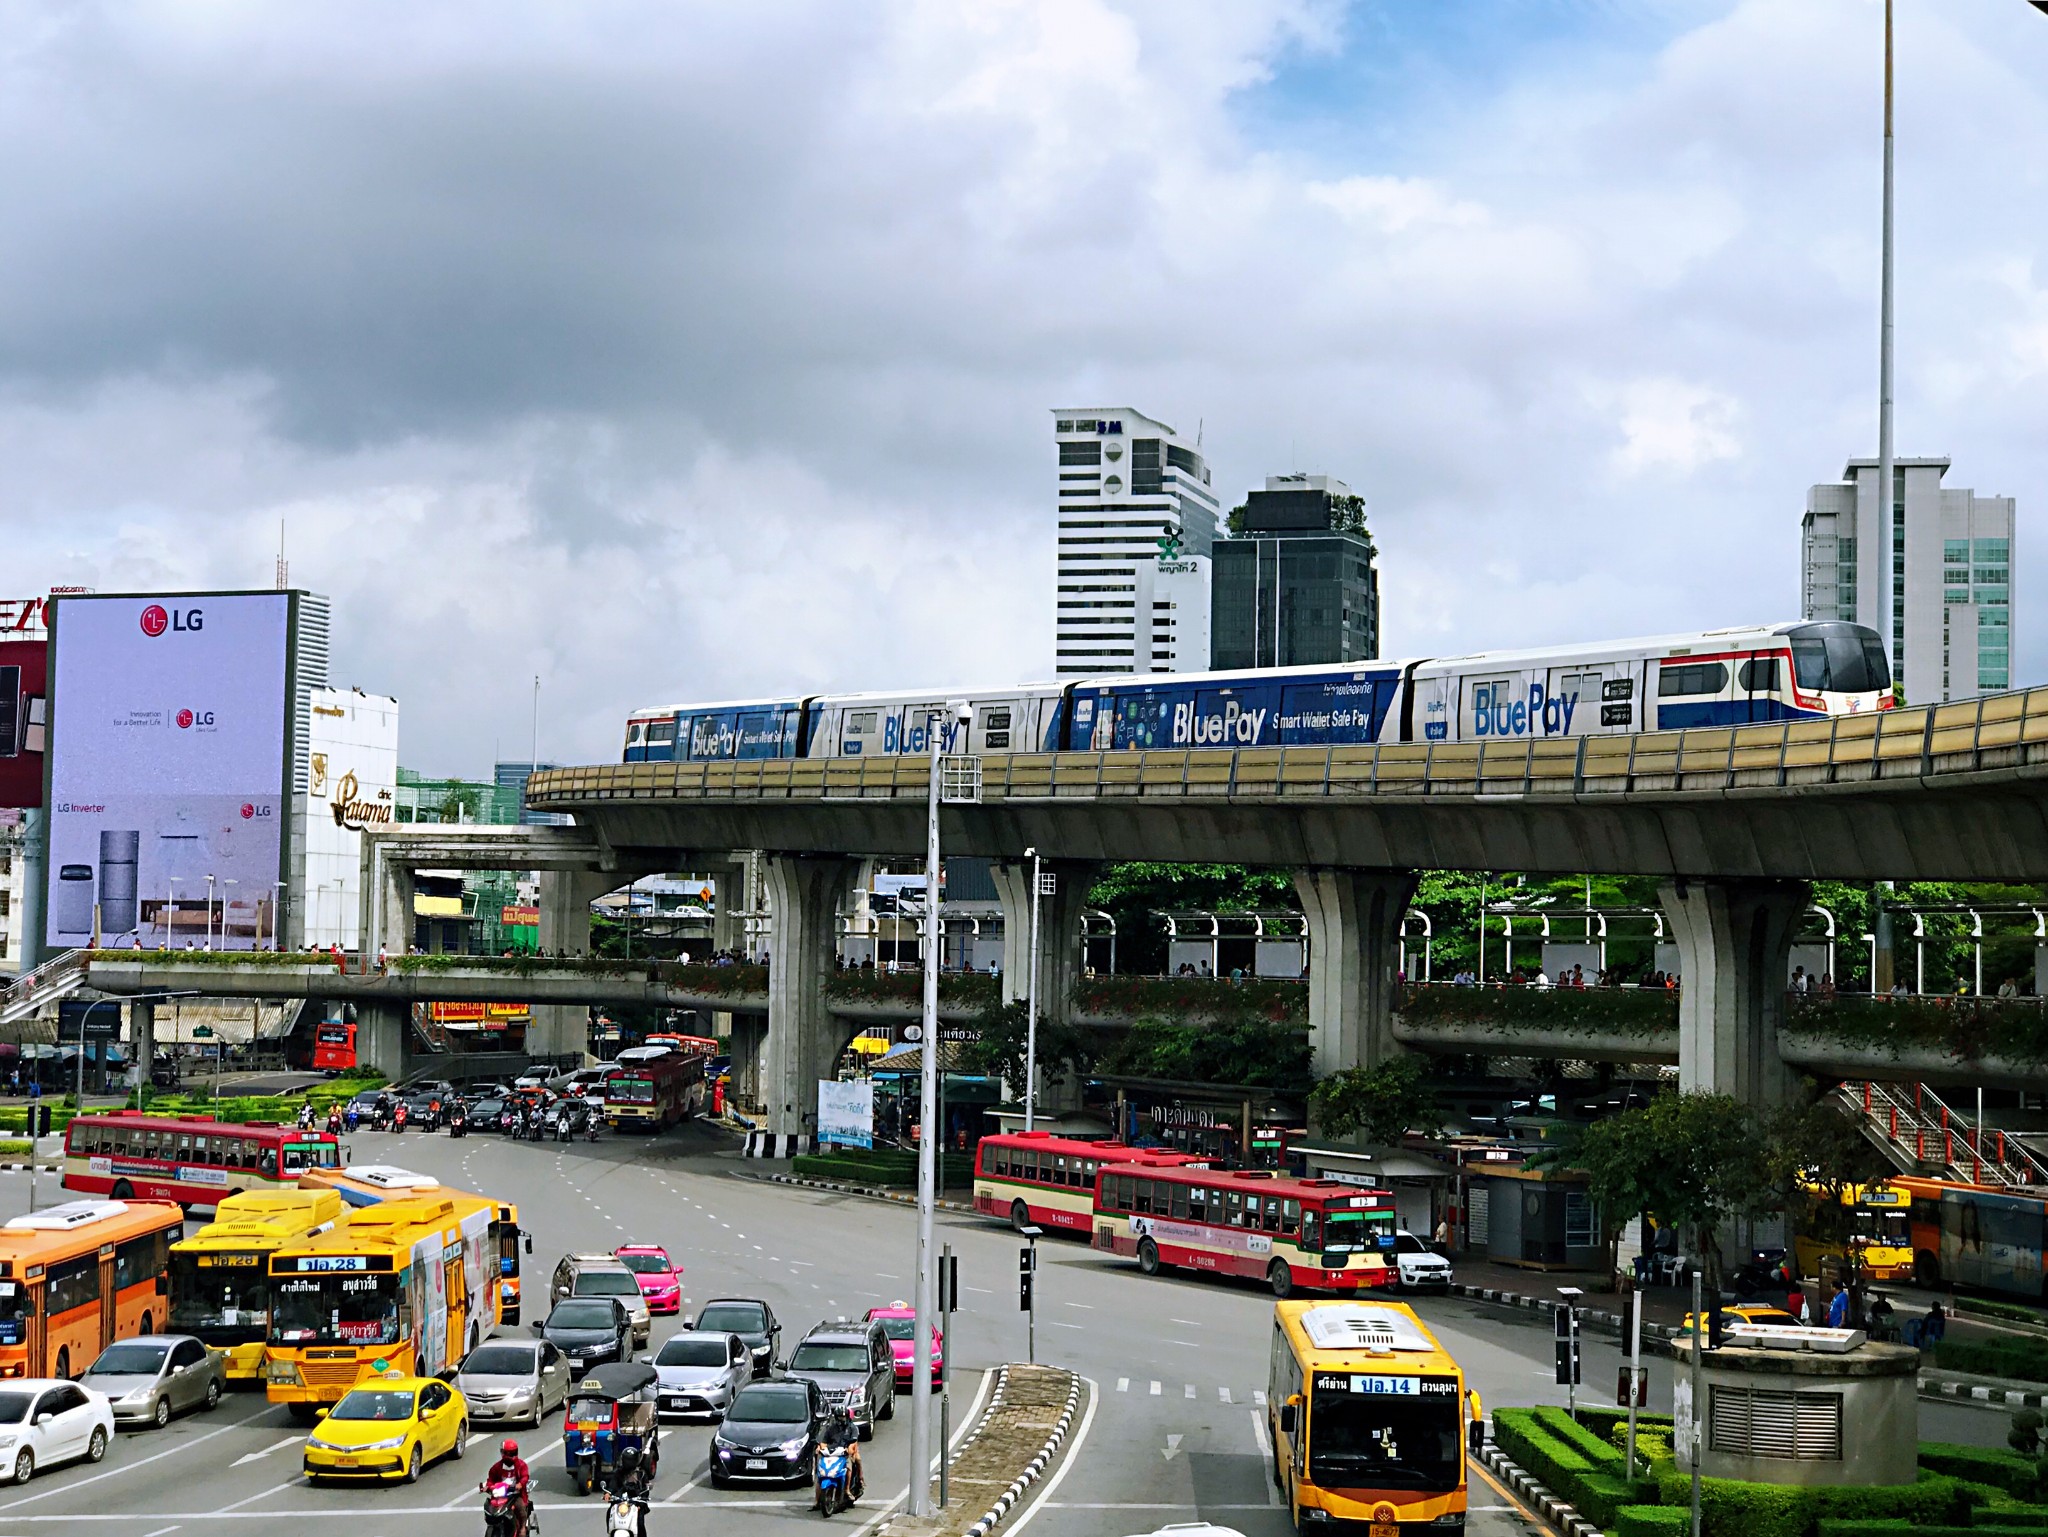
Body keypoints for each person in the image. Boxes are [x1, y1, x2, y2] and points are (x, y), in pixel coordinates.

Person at [483, 1437, 532, 1537]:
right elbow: (490, 1480)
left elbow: (525, 1476)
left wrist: (520, 1484)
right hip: (500, 1496)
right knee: (490, 1508)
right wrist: (487, 1487)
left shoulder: (521, 1465)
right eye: (509, 1453)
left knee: (520, 1507)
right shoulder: (496, 1467)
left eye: (513, 1453)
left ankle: (522, 1527)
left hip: (514, 1496)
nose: (511, 1456)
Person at [815, 1407, 862, 1508]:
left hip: (845, 1454)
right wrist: (820, 1448)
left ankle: (847, 1489)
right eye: (840, 1417)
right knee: (820, 1475)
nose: (842, 1419)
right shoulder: (831, 1428)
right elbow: (823, 1442)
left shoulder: (852, 1428)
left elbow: (854, 1442)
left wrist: (849, 1449)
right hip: (831, 1454)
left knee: (848, 1467)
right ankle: (816, 1500)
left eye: (843, 1417)